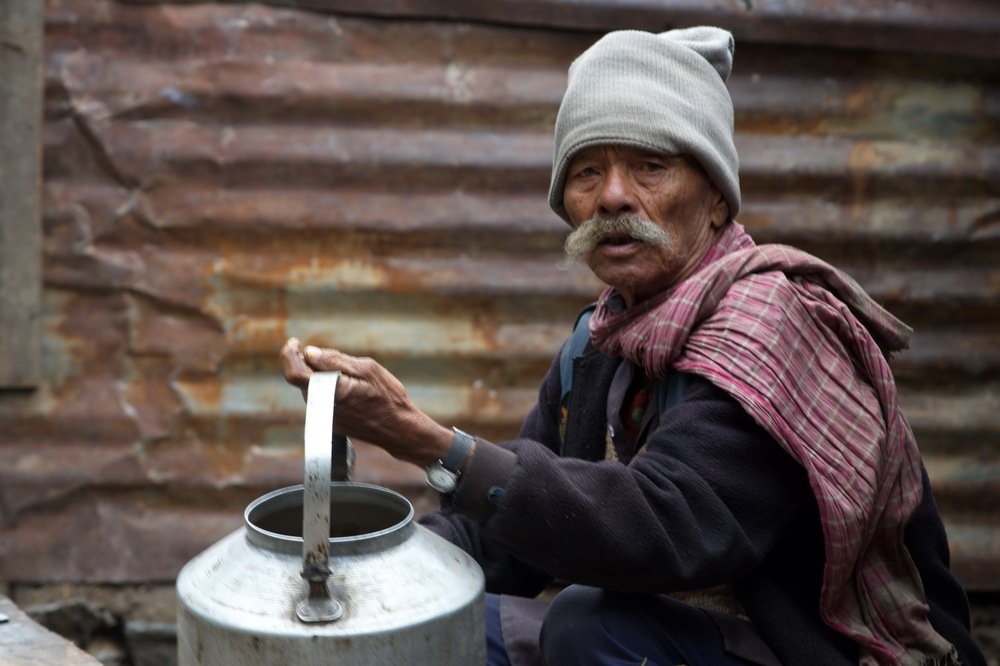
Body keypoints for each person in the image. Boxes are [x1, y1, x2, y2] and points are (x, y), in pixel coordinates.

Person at [280, 27, 984, 666]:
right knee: (440, 626)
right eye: (588, 172)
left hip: (800, 647)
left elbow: (663, 526)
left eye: (649, 166)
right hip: (670, 635)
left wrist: (425, 440)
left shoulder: (772, 332)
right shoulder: (599, 341)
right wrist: (366, 566)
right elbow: (510, 534)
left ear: (716, 198)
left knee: (591, 626)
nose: (613, 197)